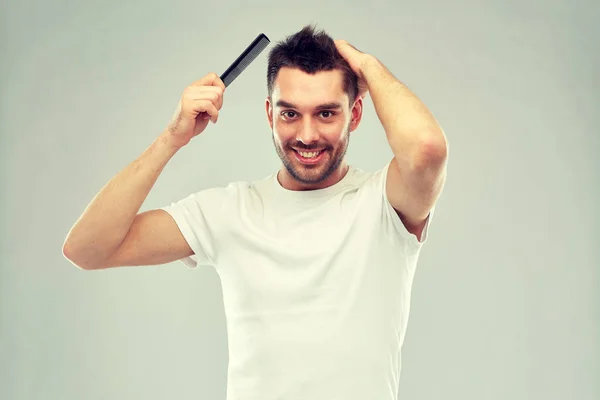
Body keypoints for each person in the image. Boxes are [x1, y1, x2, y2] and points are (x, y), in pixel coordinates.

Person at [63, 24, 448, 400]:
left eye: (327, 113)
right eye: (290, 114)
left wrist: (369, 68)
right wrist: (172, 137)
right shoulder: (228, 210)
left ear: (356, 114)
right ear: (269, 114)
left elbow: (427, 149)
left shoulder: (384, 201)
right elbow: (88, 249)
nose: (307, 135)